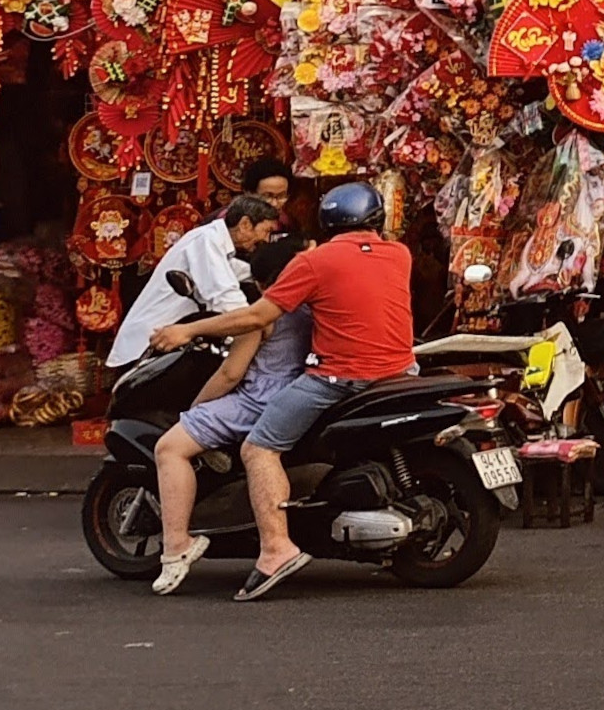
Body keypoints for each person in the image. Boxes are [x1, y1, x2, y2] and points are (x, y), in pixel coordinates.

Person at [146, 183, 416, 602]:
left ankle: (275, 549)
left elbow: (254, 318)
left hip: (340, 378)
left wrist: (187, 329)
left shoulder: (315, 264)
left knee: (258, 449)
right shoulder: (399, 255)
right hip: (400, 370)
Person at [122, 196, 291, 594]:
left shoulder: (258, 311)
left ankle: (177, 546)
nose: (261, 243)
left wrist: (197, 411)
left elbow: (234, 363)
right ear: (245, 223)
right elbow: (230, 302)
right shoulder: (209, 247)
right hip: (157, 344)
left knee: (171, 446)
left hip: (255, 389)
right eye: (264, 233)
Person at [108, 195, 282, 368]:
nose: (266, 240)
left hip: (166, 342)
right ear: (245, 224)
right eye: (266, 231)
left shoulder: (216, 245)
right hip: (147, 345)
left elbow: (245, 273)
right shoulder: (206, 240)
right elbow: (225, 296)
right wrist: (255, 323)